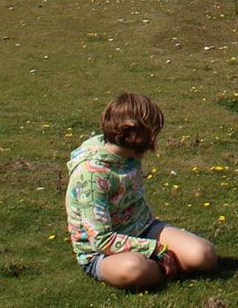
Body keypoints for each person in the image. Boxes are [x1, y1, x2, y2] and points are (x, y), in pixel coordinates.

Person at [65, 92, 216, 289]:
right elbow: (101, 241)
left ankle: (163, 268)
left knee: (204, 255)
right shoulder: (92, 175)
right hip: (102, 253)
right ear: (137, 134)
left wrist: (152, 246)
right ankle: (165, 268)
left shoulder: (128, 155)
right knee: (134, 269)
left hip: (143, 228)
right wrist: (156, 249)